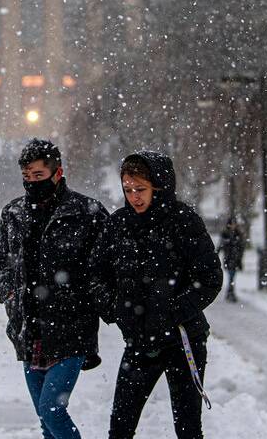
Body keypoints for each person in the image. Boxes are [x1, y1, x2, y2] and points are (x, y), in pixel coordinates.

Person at [89, 151, 223, 439]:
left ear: (159, 187)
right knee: (120, 427)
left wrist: (172, 312)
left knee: (188, 428)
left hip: (183, 341)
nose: (134, 197)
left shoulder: (184, 222)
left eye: (141, 189)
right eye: (128, 190)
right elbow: (96, 275)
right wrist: (114, 308)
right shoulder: (118, 225)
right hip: (138, 342)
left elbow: (210, 278)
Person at [0, 138, 109, 439]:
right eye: (26, 177)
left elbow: (108, 265)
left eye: (39, 176)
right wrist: (6, 290)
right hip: (29, 330)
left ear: (57, 173)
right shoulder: (13, 213)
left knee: (52, 411)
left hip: (72, 329)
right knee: (45, 422)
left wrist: (92, 297)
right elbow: (3, 260)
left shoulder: (87, 212)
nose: (31, 183)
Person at [218, 218, 245, 302]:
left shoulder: (238, 234)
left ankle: (230, 293)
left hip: (236, 258)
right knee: (231, 276)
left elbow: (241, 246)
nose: (233, 226)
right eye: (232, 224)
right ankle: (231, 293)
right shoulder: (225, 234)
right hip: (228, 258)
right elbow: (221, 245)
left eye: (234, 224)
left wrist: (240, 256)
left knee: (232, 276)